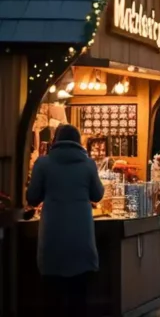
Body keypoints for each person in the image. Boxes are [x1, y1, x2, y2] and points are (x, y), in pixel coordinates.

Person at [26, 124, 104, 316]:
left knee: (52, 294)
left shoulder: (43, 164)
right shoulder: (88, 164)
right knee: (79, 294)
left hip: (52, 231)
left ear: (55, 141)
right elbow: (97, 194)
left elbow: (33, 197)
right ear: (79, 142)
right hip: (81, 233)